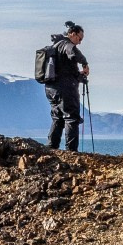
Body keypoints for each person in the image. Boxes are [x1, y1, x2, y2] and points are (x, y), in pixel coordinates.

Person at [44, 21, 89, 151]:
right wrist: (85, 64)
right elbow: (74, 53)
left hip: (51, 88)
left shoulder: (56, 46)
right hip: (65, 90)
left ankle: (52, 147)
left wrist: (79, 76)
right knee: (71, 117)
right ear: (72, 34)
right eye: (79, 38)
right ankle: (71, 151)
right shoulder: (66, 45)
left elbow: (65, 71)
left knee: (57, 117)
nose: (79, 42)